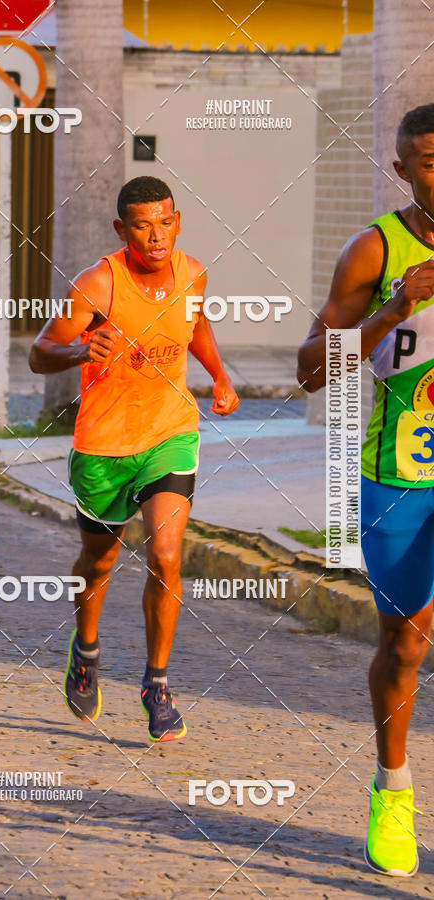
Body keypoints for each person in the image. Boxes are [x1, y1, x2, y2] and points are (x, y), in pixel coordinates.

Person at [30, 176, 239, 742]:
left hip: (170, 431)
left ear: (178, 221)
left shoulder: (193, 273)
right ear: (122, 230)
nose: (156, 235)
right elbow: (39, 353)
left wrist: (219, 375)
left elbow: (196, 326)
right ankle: (86, 649)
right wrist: (80, 348)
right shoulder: (98, 284)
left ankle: (157, 683)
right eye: (143, 225)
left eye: (165, 221)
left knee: (167, 555)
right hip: (104, 444)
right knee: (99, 562)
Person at [297, 104, 434, 877]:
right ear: (403, 169)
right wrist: (395, 306)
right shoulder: (376, 250)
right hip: (402, 473)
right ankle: (393, 789)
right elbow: (312, 369)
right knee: (405, 643)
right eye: (429, 160)